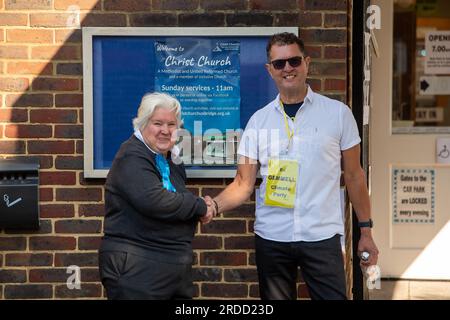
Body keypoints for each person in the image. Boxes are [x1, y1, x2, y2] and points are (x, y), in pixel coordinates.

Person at [206, 32, 379, 300]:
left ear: (307, 62)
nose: (288, 68)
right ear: (270, 70)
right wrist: (213, 206)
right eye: (279, 63)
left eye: (294, 61)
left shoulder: (338, 114)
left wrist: (365, 231)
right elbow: (243, 183)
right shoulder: (258, 122)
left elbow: (355, 176)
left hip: (321, 235)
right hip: (272, 236)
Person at [98, 92, 215, 300]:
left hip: (172, 268)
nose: (165, 131)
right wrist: (199, 206)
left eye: (171, 124)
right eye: (157, 123)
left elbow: (177, 197)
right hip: (138, 269)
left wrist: (198, 207)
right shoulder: (132, 156)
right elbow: (156, 201)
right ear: (142, 124)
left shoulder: (170, 158)